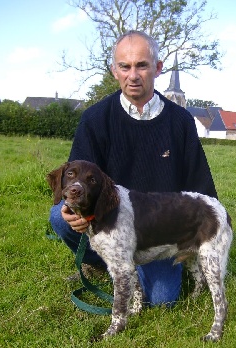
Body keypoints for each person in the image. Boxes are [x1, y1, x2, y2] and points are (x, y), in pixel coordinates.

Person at [49, 30, 217, 306]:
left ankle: (141, 267)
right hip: (111, 218)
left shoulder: (180, 121)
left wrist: (203, 238)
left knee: (162, 300)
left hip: (158, 228)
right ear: (114, 70)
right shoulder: (94, 119)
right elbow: (75, 179)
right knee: (59, 216)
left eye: (142, 65)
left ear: (158, 68)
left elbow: (200, 187)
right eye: (125, 66)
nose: (133, 75)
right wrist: (72, 212)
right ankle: (108, 263)